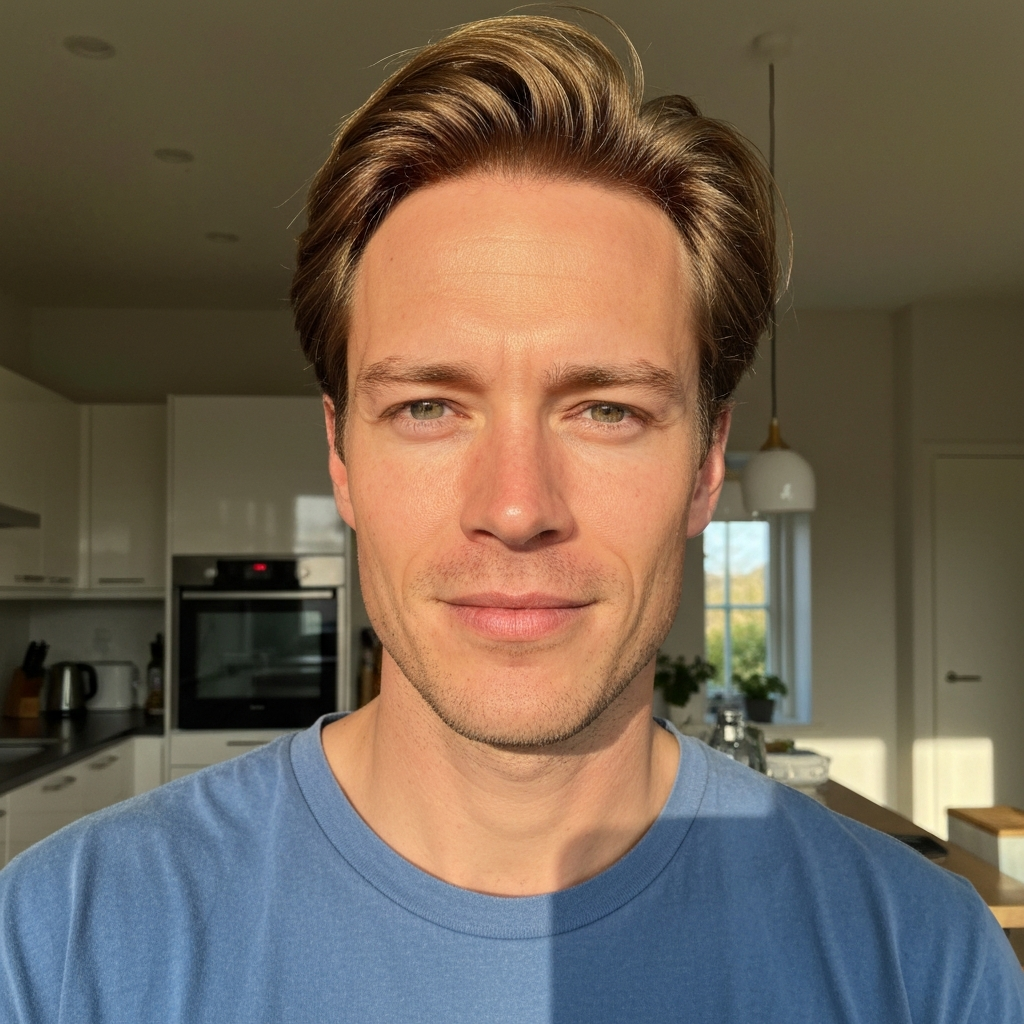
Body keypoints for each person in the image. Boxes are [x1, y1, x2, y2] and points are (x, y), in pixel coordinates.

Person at [1, 15, 1022, 1023]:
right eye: (427, 407)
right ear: (342, 456)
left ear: (707, 465)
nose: (517, 507)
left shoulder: (923, 964)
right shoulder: (56, 949)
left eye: (607, 410)